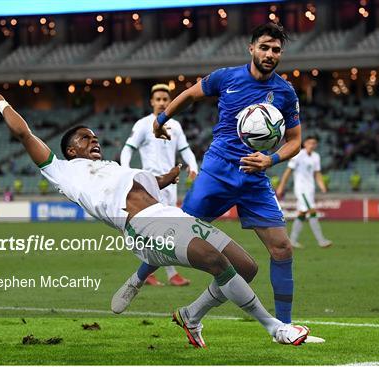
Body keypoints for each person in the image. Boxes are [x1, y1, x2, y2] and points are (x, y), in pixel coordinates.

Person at [0, 89, 311, 347]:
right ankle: (274, 327)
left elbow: (145, 186)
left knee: (247, 268)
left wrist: (167, 178)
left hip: (170, 214)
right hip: (142, 229)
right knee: (214, 260)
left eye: (95, 138)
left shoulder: (114, 169)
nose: (94, 141)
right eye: (85, 139)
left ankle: (190, 316)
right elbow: (25, 134)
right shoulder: (61, 171)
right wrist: (3, 104)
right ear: (70, 150)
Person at [116, 22, 324, 344]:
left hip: (255, 177)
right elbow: (188, 95)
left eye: (276, 50)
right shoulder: (226, 77)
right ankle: (137, 278)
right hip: (218, 172)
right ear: (251, 48)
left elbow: (294, 140)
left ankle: (283, 328)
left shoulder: (284, 92)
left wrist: (272, 159)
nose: (270, 54)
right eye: (265, 47)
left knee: (282, 249)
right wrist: (160, 119)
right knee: (175, 236)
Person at [121, 83, 198, 287]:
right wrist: (125, 170)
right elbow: (128, 149)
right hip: (151, 184)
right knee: (160, 229)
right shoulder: (143, 125)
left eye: (166, 99)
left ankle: (152, 273)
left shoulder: (177, 126)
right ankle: (168, 274)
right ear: (152, 102)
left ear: (170, 102)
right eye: (159, 99)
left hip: (171, 184)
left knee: (163, 230)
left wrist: (194, 166)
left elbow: (186, 149)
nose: (162, 103)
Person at [276, 136, 332, 249]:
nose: (312, 145)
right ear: (305, 143)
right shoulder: (298, 155)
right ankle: (321, 241)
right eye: (310, 142)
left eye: (314, 143)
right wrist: (281, 186)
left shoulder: (316, 157)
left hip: (310, 189)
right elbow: (288, 171)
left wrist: (322, 186)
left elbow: (317, 173)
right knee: (312, 211)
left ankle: (292, 240)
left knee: (302, 213)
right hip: (301, 189)